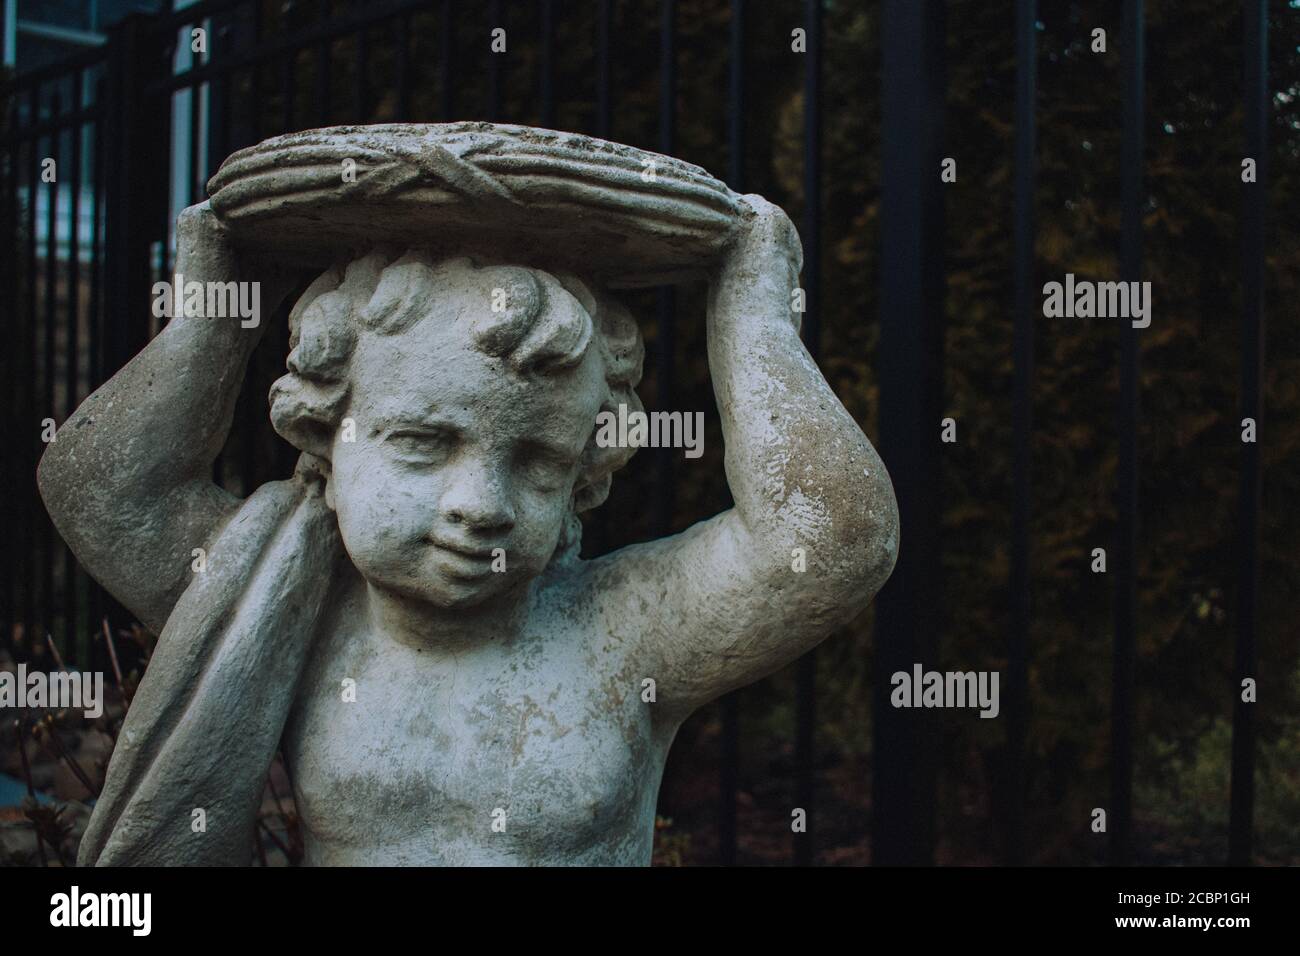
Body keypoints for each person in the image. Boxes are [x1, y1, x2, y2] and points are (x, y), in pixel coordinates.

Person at [39, 186, 898, 866]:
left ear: (582, 479)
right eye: (421, 442)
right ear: (321, 438)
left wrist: (752, 316)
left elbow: (830, 544)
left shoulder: (622, 633)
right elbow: (101, 487)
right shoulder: (295, 606)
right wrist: (207, 320)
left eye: (536, 461)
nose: (479, 502)